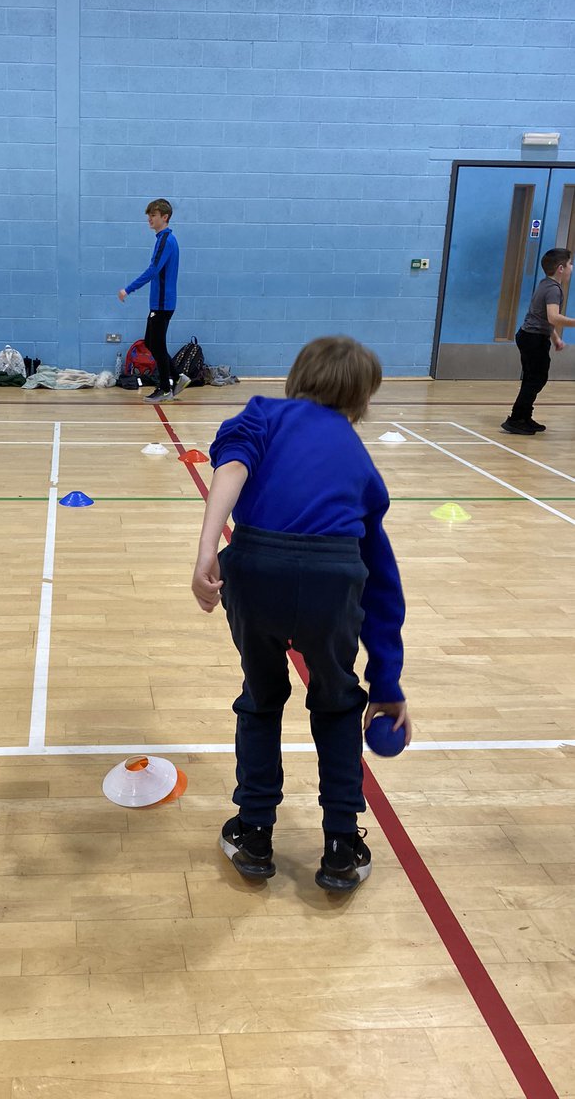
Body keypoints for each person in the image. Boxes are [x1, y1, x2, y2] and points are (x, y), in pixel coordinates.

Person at [191, 336, 411, 891]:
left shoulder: (263, 412)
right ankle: (341, 843)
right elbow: (383, 584)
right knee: (337, 707)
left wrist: (206, 548)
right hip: (332, 580)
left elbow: (231, 467)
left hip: (255, 567)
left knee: (262, 699)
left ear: (297, 377)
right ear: (361, 400)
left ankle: (255, 833)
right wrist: (386, 682)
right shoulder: (360, 462)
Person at [118, 198, 190, 403]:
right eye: (149, 215)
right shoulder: (164, 239)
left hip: (162, 303)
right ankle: (177, 377)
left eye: (153, 215)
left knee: (156, 344)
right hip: (160, 303)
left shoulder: (166, 240)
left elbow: (153, 270)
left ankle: (165, 388)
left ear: (164, 217)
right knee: (151, 342)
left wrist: (128, 289)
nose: (149, 219)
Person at [501, 247, 575, 435]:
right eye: (569, 264)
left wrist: (556, 338)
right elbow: (553, 317)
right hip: (533, 339)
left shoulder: (545, 284)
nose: (571, 268)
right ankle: (516, 419)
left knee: (532, 378)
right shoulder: (553, 290)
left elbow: (541, 318)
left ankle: (524, 416)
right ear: (560, 268)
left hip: (529, 336)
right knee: (536, 379)